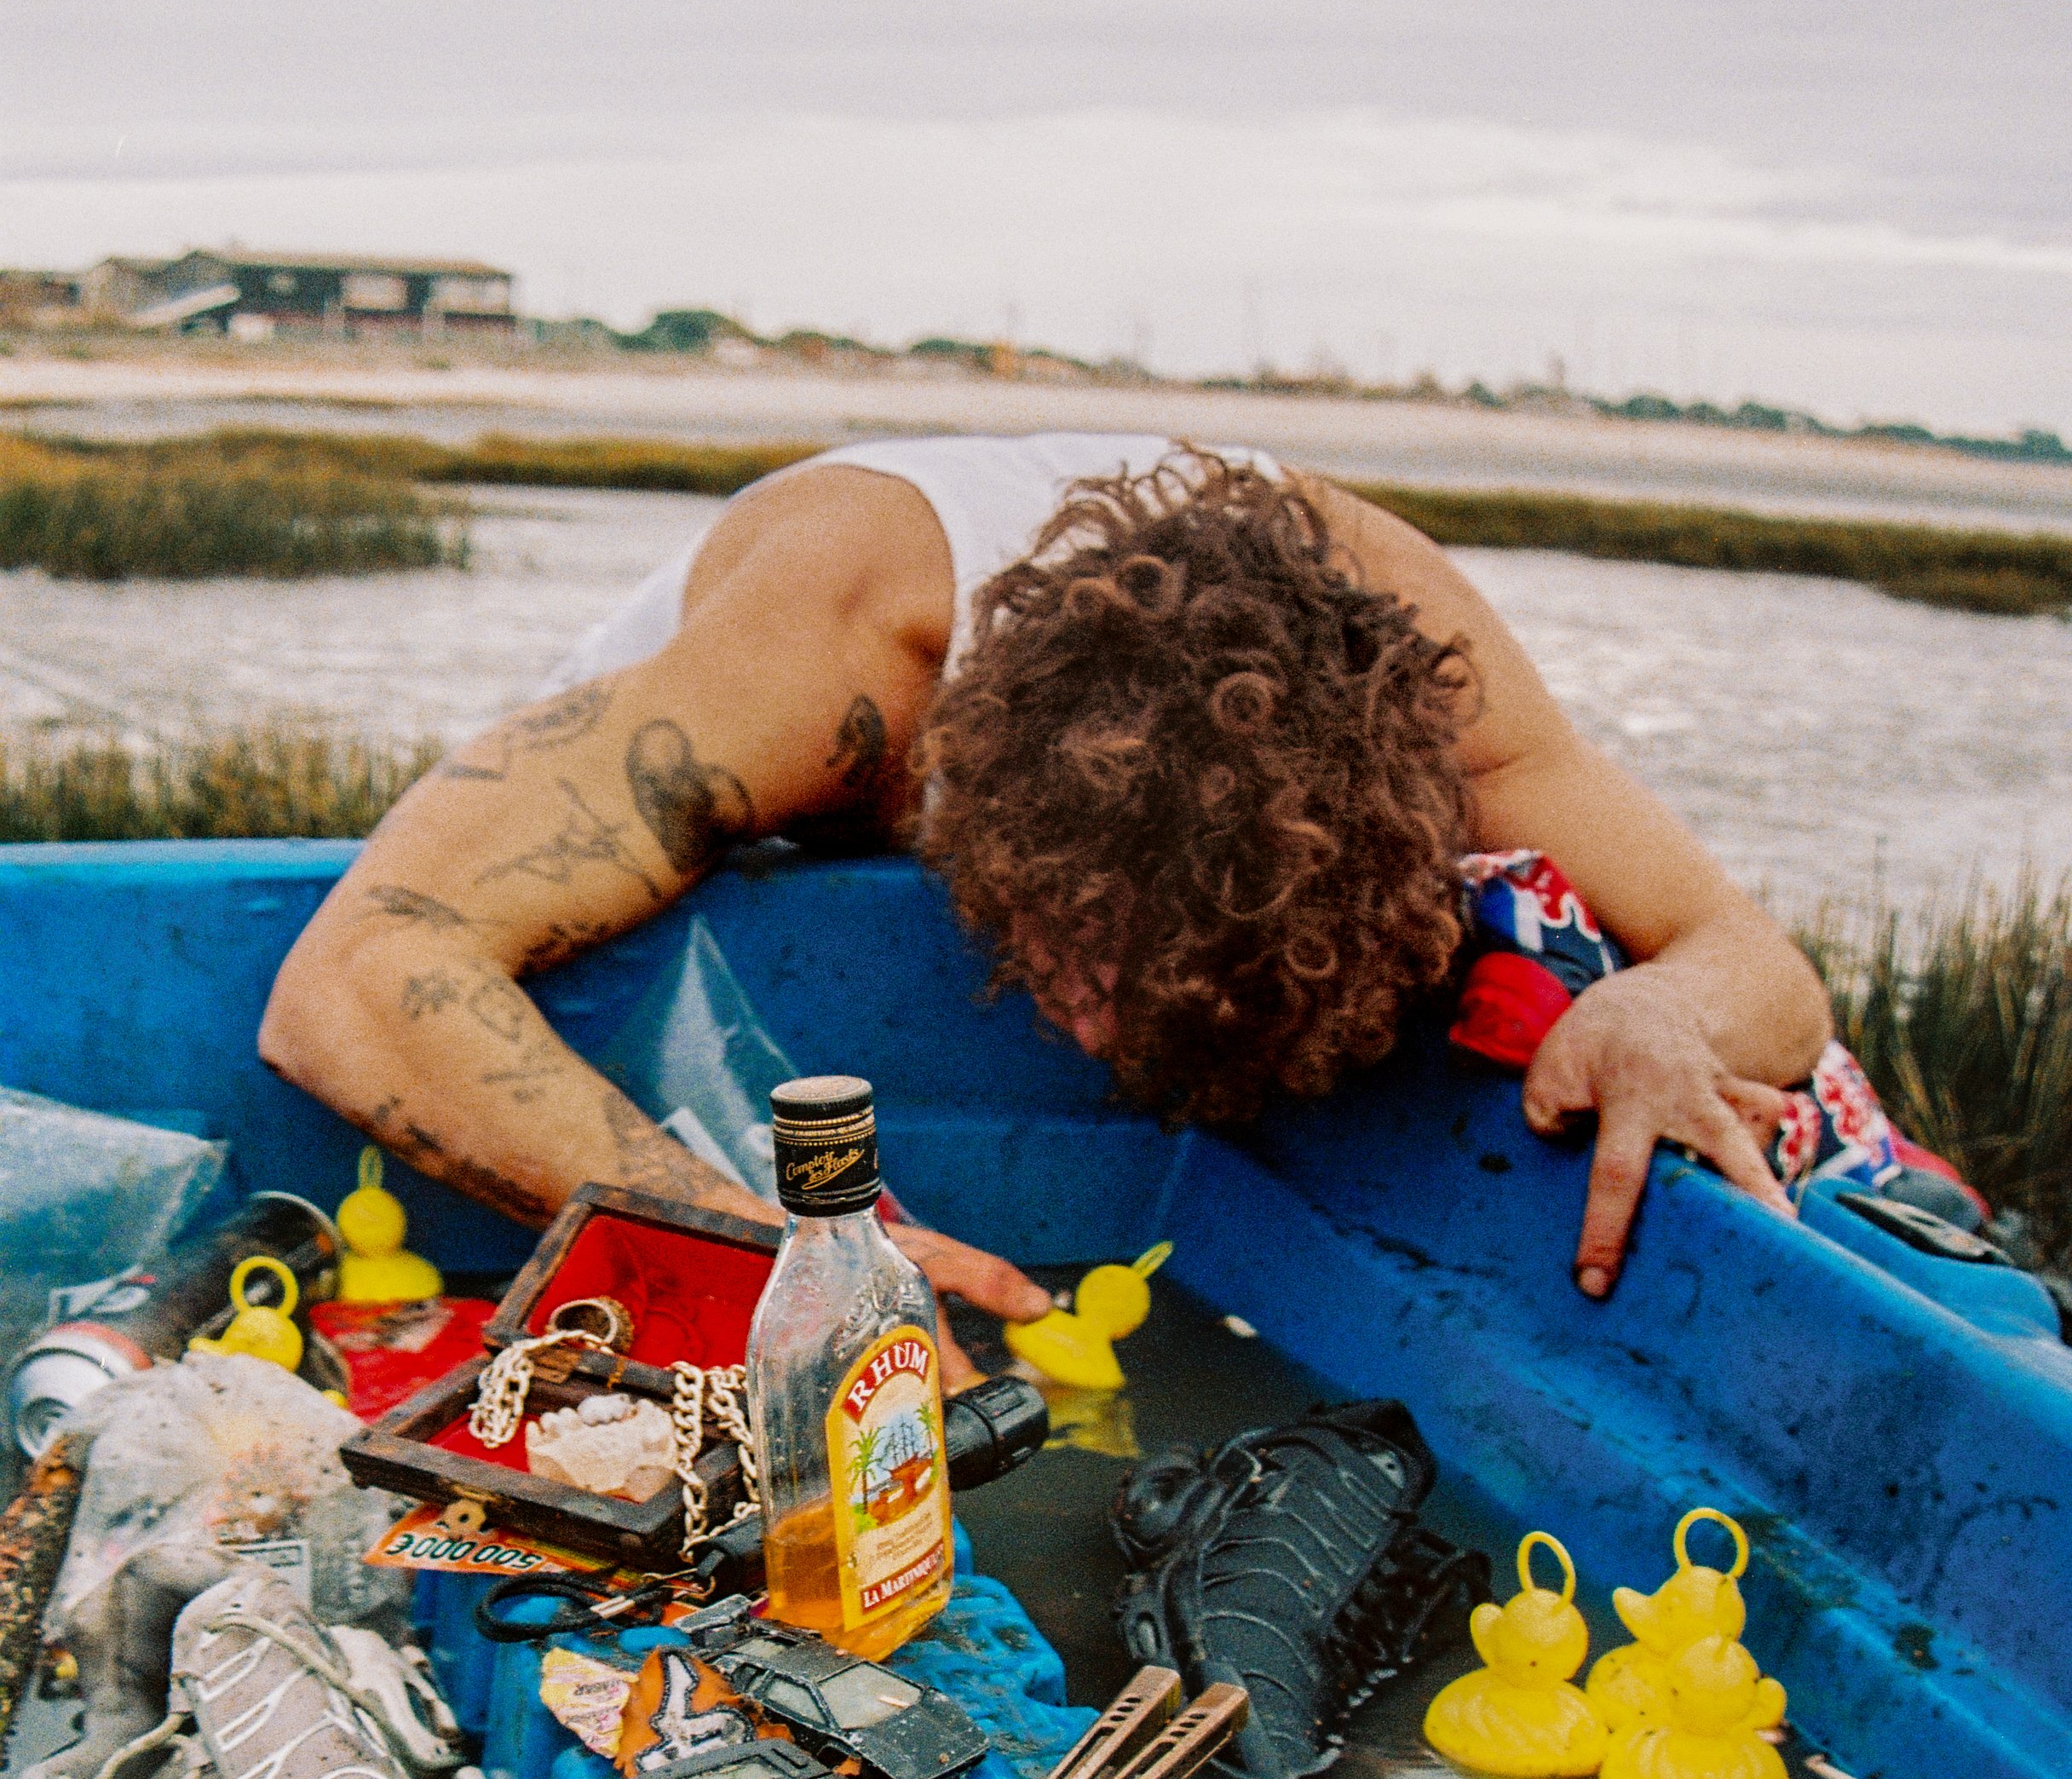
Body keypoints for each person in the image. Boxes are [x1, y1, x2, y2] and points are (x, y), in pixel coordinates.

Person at [260, 433, 1832, 1375]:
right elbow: (355, 978)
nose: (1094, 1038)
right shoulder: (836, 665)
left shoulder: (1420, 675)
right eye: (1094, 977)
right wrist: (780, 1260)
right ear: (990, 830)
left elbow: (1750, 957)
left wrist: (1651, 1011)